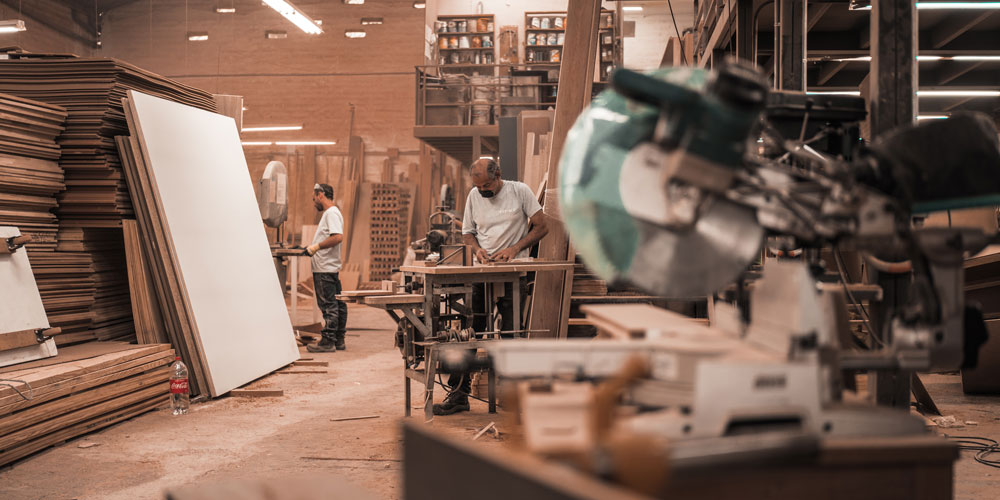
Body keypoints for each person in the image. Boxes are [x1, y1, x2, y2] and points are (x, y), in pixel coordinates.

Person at [433, 158, 549, 416]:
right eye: (479, 186)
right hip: (483, 271)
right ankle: (459, 395)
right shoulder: (474, 195)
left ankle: (511, 395)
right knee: (469, 335)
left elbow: (542, 226)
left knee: (511, 335)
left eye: (487, 185)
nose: (483, 191)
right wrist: (477, 250)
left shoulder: (520, 191)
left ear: (499, 176)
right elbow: (467, 232)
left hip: (513, 272)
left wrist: (515, 249)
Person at [305, 183, 348, 353]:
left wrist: (316, 247)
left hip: (324, 268)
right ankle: (338, 339)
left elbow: (337, 237)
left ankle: (328, 342)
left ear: (321, 194)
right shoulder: (333, 213)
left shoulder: (331, 213)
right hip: (328, 267)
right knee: (337, 304)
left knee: (328, 305)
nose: (313, 200)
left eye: (314, 197)